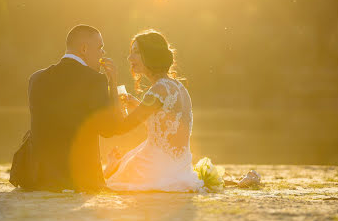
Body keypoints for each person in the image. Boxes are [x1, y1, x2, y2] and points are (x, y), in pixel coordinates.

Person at [11, 24, 130, 192]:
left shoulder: (36, 79)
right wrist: (113, 83)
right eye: (100, 47)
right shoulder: (95, 80)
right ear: (84, 49)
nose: (103, 53)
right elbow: (109, 130)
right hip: (79, 178)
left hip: (38, 177)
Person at [103, 29, 204, 192]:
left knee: (107, 184)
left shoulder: (158, 89)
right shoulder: (178, 87)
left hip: (155, 168)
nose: (130, 58)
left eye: (135, 52)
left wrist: (112, 81)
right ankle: (114, 166)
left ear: (150, 54)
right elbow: (164, 126)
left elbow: (122, 127)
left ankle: (112, 166)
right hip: (180, 170)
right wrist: (138, 106)